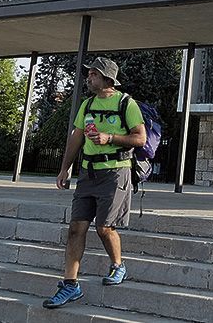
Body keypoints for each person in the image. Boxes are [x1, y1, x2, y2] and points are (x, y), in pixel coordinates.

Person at [43, 58, 147, 309]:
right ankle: (70, 285)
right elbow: (76, 137)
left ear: (107, 79)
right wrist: (64, 168)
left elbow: (140, 138)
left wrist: (109, 137)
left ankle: (118, 265)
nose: (88, 78)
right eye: (88, 74)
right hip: (88, 174)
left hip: (115, 173)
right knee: (76, 229)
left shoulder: (126, 104)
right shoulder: (87, 104)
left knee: (104, 228)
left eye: (93, 75)